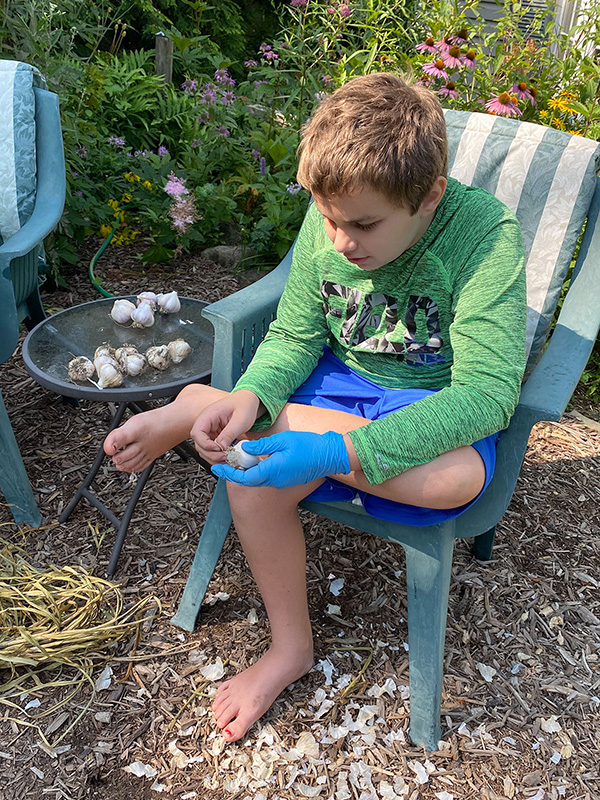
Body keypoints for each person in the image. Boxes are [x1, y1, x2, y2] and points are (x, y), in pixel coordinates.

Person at [104, 73, 527, 743]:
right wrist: (252, 394)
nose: (338, 241)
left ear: (430, 197)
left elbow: (485, 397)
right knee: (253, 481)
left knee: (458, 479)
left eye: (363, 225)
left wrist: (335, 452)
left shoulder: (482, 235)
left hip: (431, 400)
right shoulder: (334, 215)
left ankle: (197, 407)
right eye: (327, 219)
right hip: (338, 385)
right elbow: (296, 336)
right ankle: (289, 649)